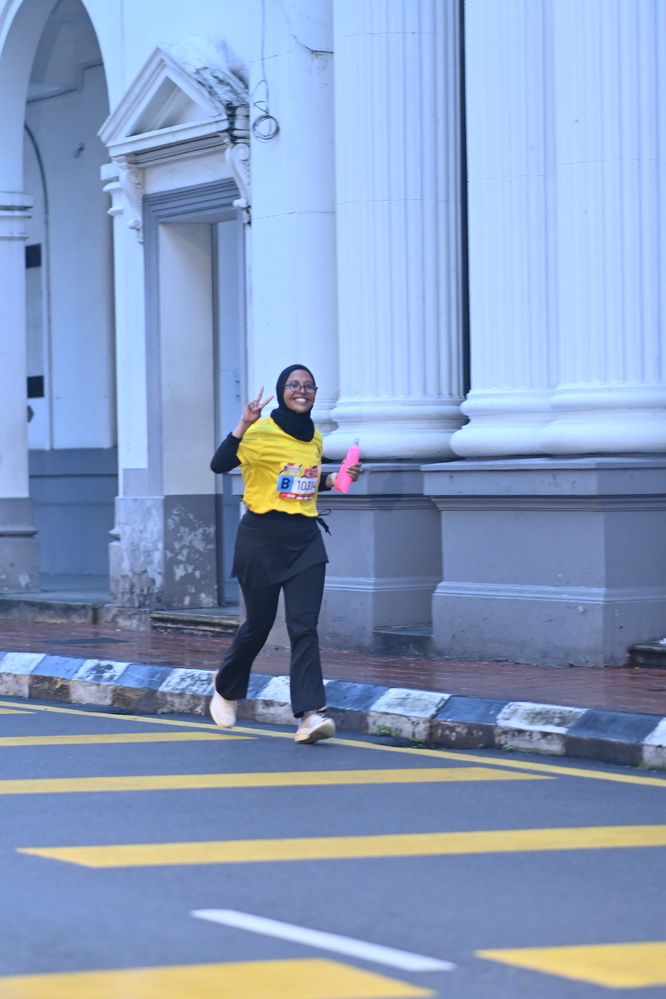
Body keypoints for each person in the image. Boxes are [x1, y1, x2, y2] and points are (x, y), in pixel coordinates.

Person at [209, 365, 361, 743]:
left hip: (304, 538)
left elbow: (300, 482)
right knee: (258, 627)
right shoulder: (260, 431)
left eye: (309, 386)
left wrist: (334, 478)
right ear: (282, 391)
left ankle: (310, 715)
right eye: (294, 385)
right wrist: (243, 424)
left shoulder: (315, 438)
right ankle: (226, 688)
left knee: (303, 626)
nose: (302, 391)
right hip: (261, 539)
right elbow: (219, 464)